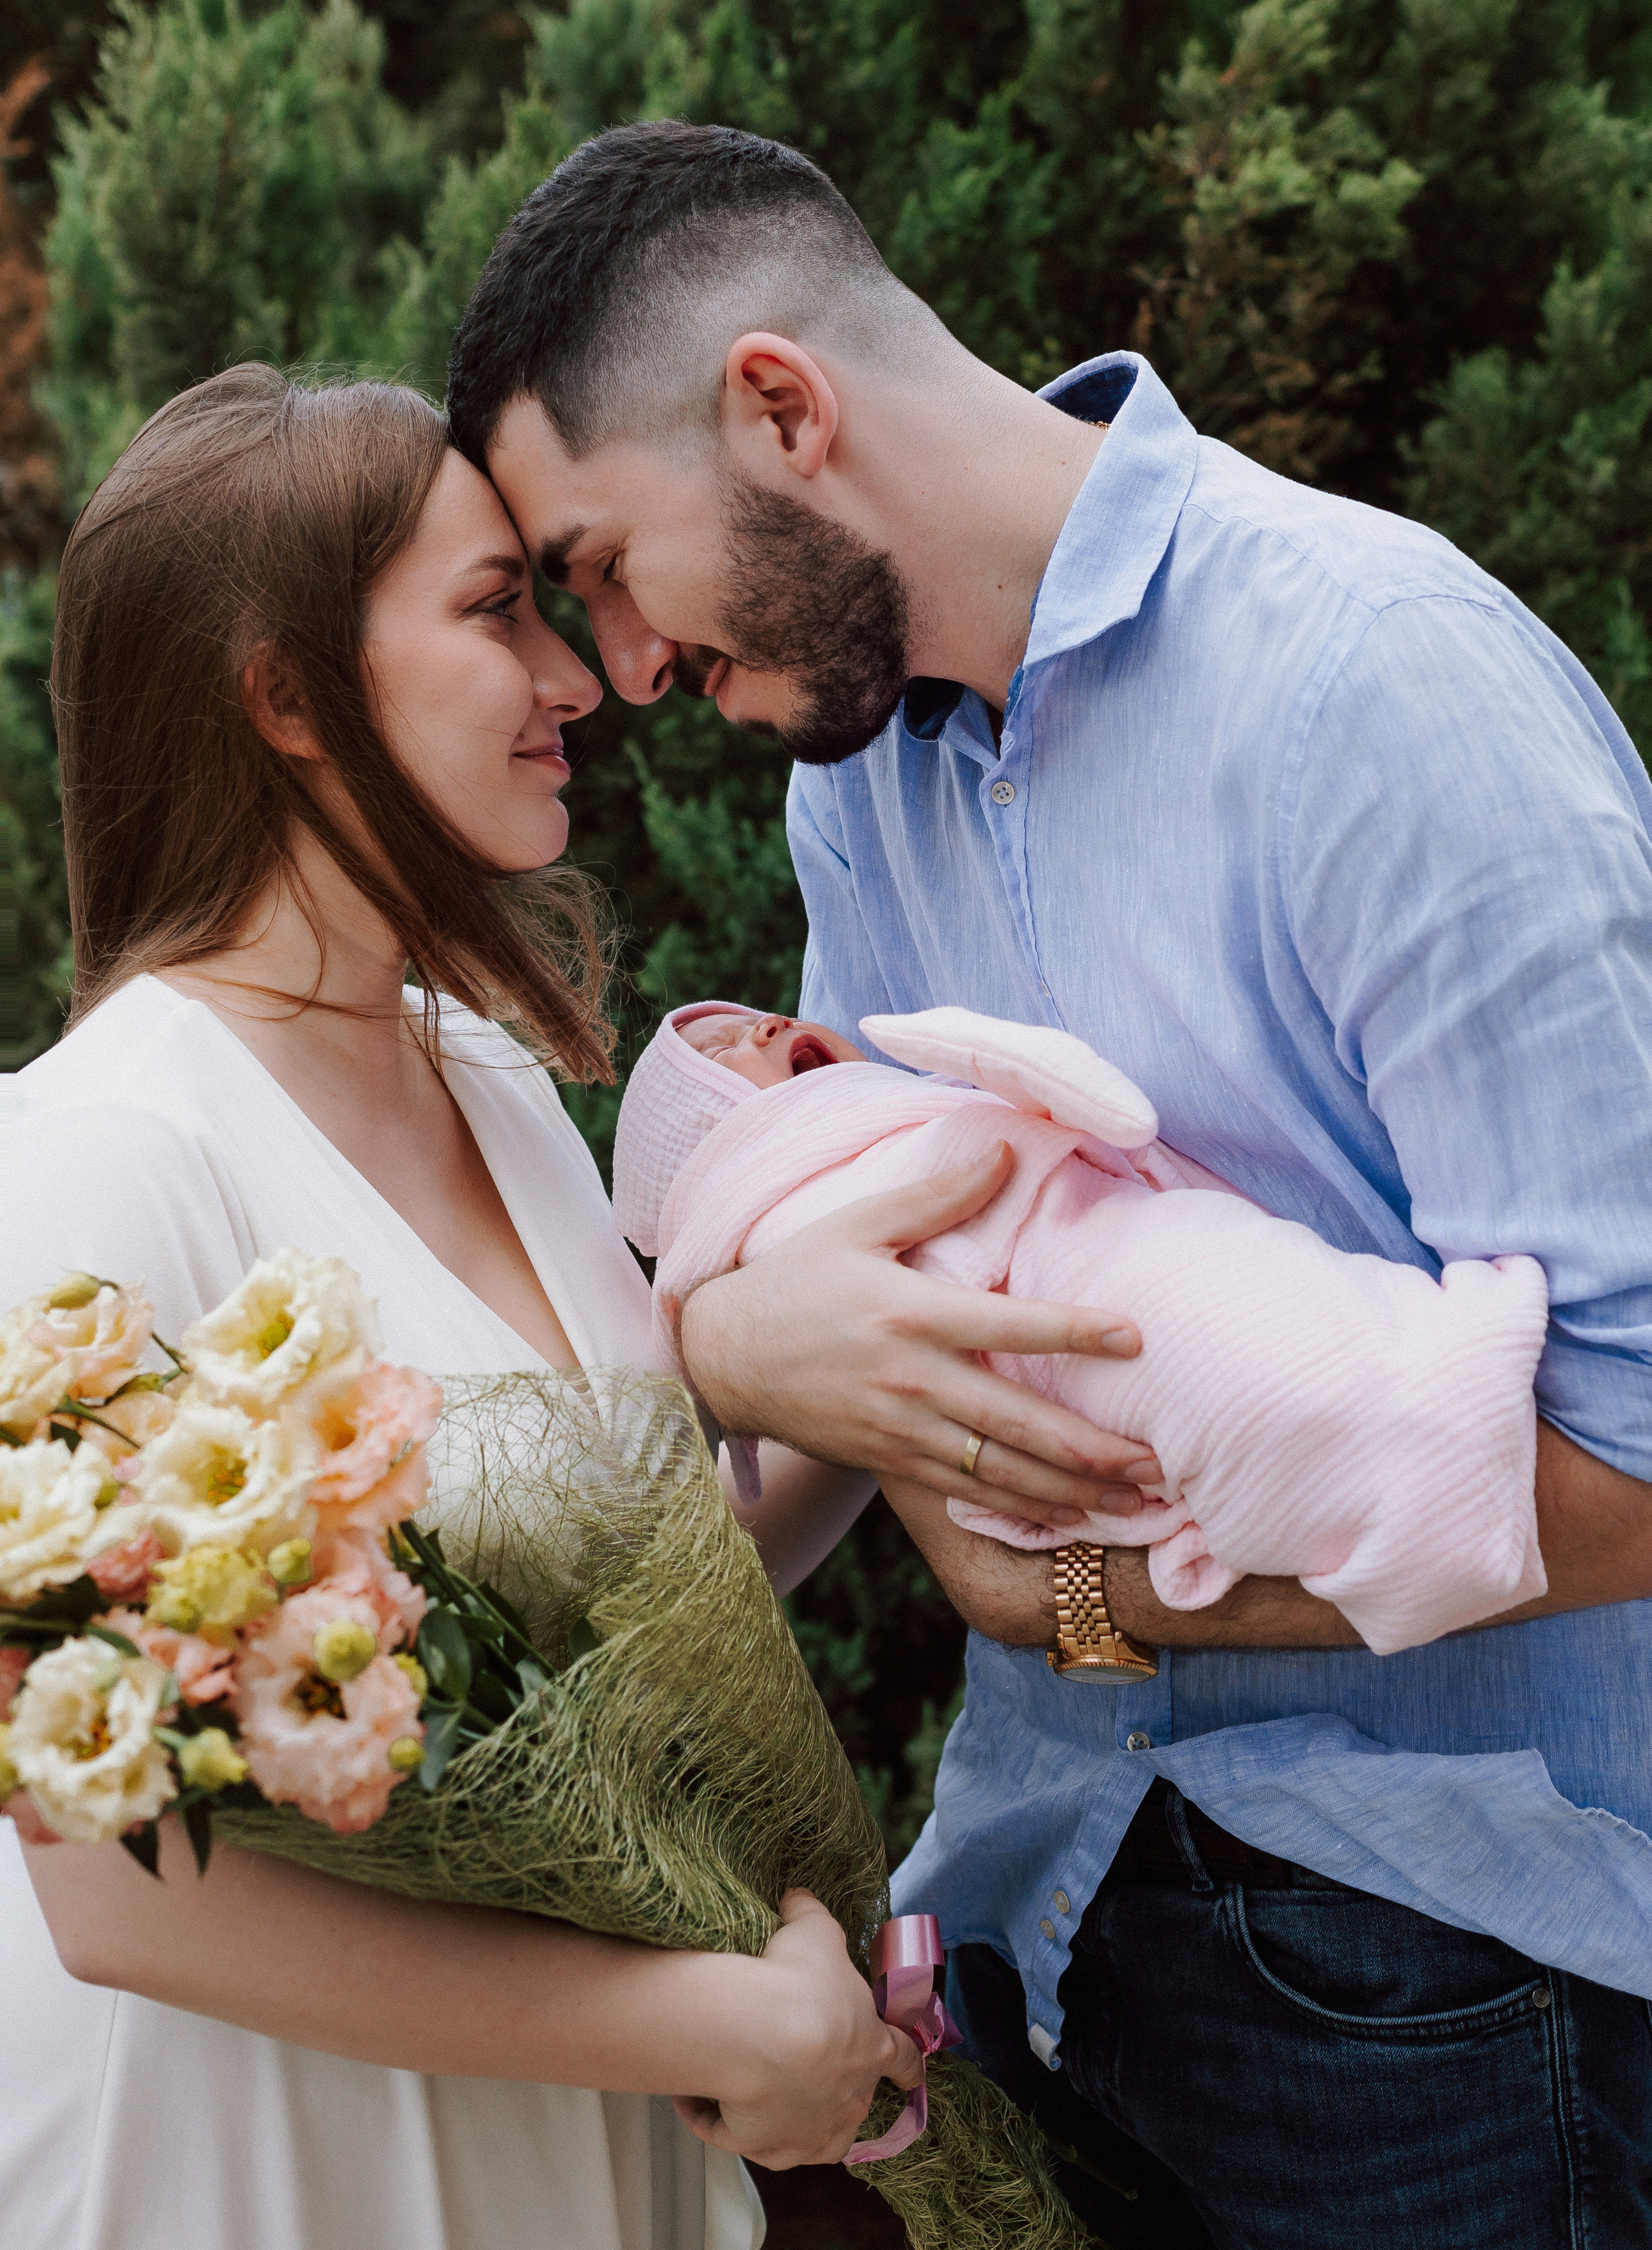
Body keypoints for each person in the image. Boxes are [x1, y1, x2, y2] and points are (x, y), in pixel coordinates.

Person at [446, 121, 1652, 2245]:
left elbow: (1642, 1452)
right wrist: (716, 1353)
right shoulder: (864, 792)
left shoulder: (1380, 689)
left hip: (1452, 1973)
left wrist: (1068, 1597)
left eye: (607, 563)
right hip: (1036, 1904)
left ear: (783, 410)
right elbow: (874, 1268)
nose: (622, 671)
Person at [0, 363, 922, 2250]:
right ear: (283, 696)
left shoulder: (488, 1079)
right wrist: (714, 2017)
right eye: (499, 612)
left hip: (590, 2158)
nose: (580, 676)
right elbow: (110, 1885)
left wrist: (874, 1370)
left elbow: (612, 1605)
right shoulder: (93, 1155)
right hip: (279, 2171)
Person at [610, 997, 1549, 1652]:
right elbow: (1012, 1069)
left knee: (1239, 1343)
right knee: (1233, 1336)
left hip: (1071, 1287)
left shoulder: (819, 1166)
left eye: (744, 1014)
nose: (765, 1022)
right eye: (726, 1052)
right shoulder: (796, 1189)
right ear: (719, 1131)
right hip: (1063, 1276)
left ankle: (1402, 1498)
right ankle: (1426, 1456)